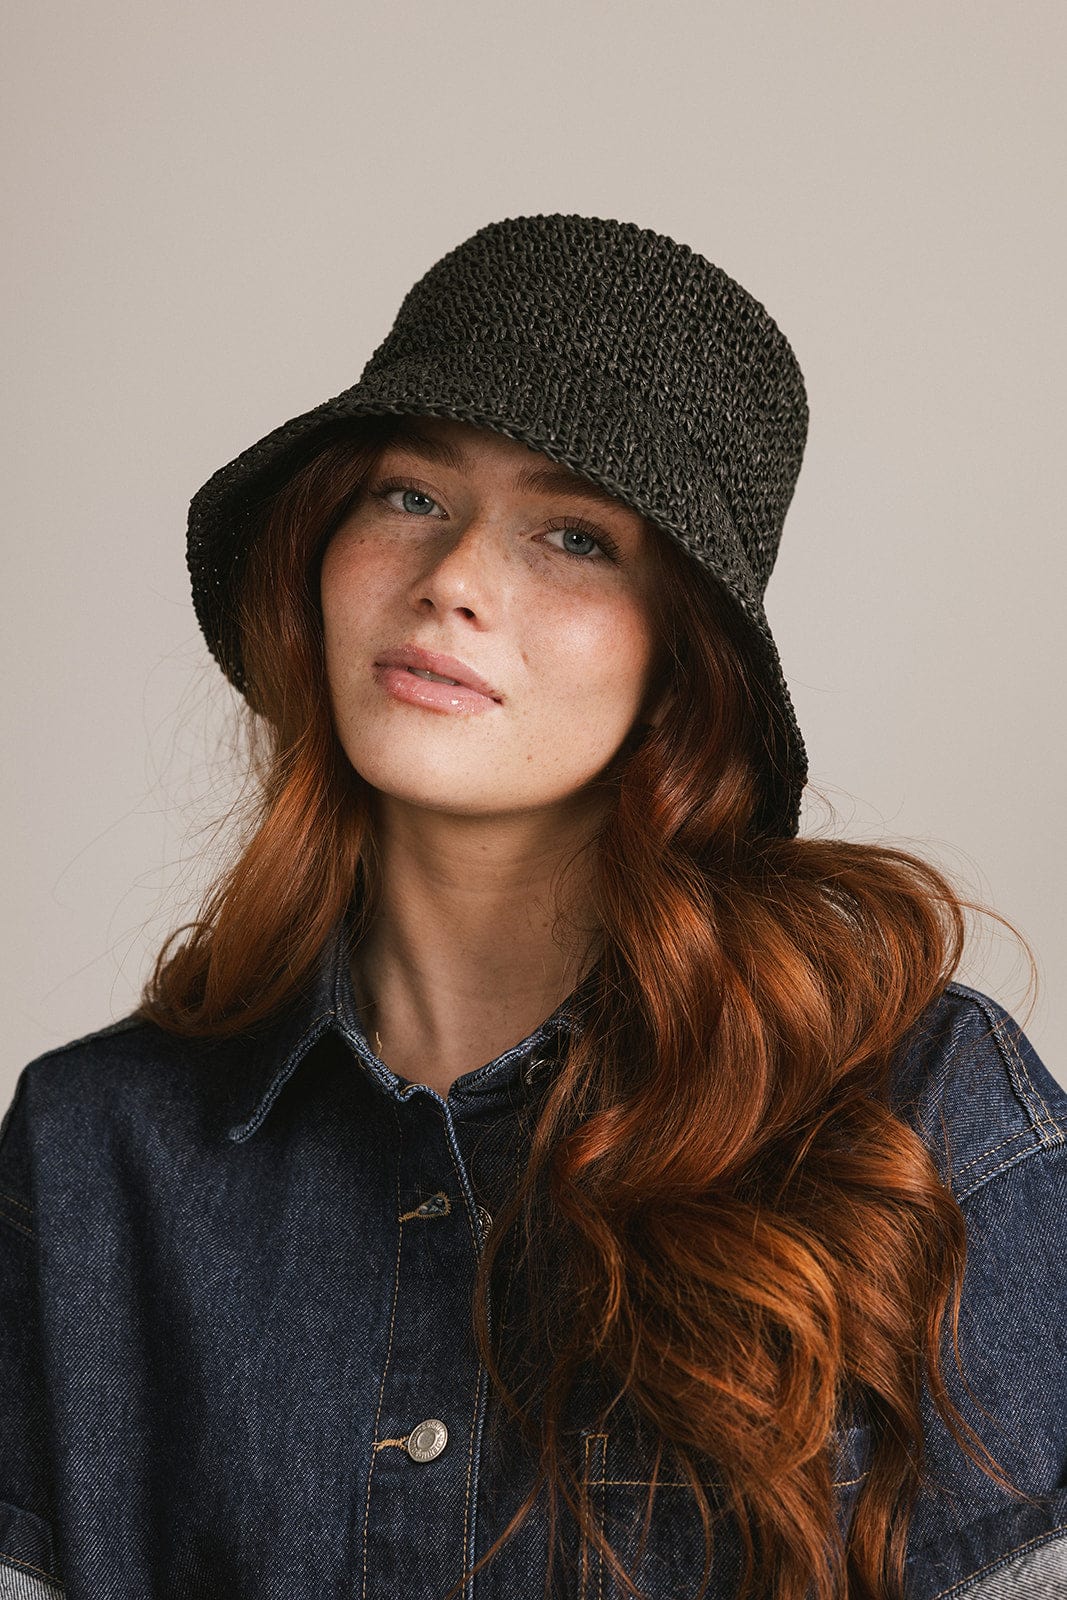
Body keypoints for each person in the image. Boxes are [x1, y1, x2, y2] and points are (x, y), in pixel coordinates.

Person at [2, 214, 1064, 1600]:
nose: (453, 583)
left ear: (681, 655)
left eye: (573, 534)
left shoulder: (919, 1125)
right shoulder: (94, 1155)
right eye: (407, 497)